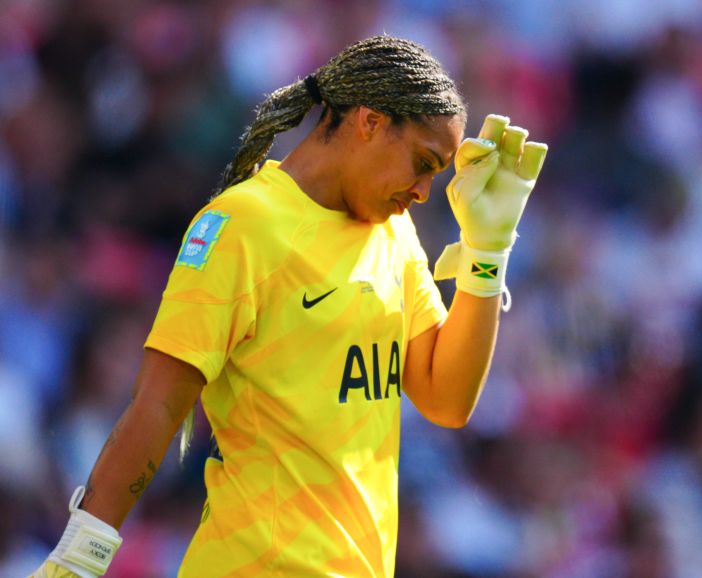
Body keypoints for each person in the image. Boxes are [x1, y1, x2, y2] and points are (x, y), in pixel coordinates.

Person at [31, 35, 547, 578]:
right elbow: (158, 406)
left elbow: (447, 399)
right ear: (369, 122)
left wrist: (487, 254)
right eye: (422, 162)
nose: (423, 191)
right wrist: (80, 556)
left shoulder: (394, 235)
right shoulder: (243, 224)